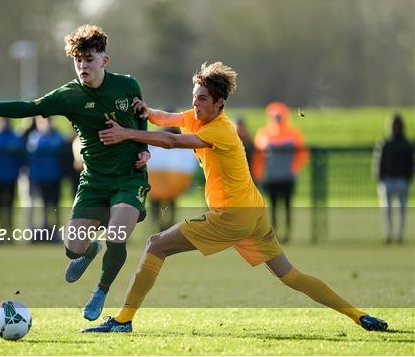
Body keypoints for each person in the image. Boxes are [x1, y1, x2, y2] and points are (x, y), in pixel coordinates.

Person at [83, 62, 387, 333]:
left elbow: (173, 141)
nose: (195, 102)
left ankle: (123, 320)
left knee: (155, 245)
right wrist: (147, 112)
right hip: (253, 212)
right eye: (195, 96)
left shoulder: (221, 131)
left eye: (202, 98)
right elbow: (168, 120)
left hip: (231, 216)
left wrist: (126, 133)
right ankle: (359, 316)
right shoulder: (200, 116)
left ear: (220, 103)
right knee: (290, 275)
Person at [0, 24, 151, 320]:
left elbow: (140, 119)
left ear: (104, 61)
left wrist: (143, 150)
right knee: (72, 248)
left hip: (128, 177)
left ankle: (100, 291)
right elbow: (24, 108)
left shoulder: (128, 85)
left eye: (89, 59)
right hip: (94, 180)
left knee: (118, 235)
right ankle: (87, 251)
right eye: (78, 60)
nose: (83, 66)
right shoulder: (68, 96)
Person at [252, 102, 309, 243]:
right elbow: (258, 157)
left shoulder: (294, 133)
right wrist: (258, 174)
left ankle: (287, 234)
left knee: (288, 205)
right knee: (273, 207)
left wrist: (293, 168)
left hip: (287, 178)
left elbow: (302, 154)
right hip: (270, 179)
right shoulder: (263, 133)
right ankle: (275, 233)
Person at [373, 113, 413, 244]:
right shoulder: (385, 144)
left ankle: (400, 235)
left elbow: (410, 163)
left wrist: (408, 177)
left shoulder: (406, 144)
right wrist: (379, 177)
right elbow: (378, 162)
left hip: (401, 180)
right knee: (386, 209)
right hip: (387, 180)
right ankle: (388, 234)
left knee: (402, 209)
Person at [147, 127, 196, 231]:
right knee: (168, 202)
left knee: (158, 202)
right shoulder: (178, 138)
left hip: (157, 180)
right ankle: (166, 224)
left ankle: (159, 224)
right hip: (167, 181)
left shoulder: (157, 139)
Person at [0, 117, 25, 233]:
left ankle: (10, 230)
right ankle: (1, 232)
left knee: (10, 205)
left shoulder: (15, 137)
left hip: (11, 176)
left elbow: (21, 157)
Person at [26, 116, 65, 236]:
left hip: (55, 177)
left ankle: (55, 231)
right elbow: (33, 149)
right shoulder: (34, 137)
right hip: (39, 178)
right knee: (41, 206)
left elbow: (58, 147)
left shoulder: (57, 136)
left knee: (55, 205)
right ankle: (44, 231)